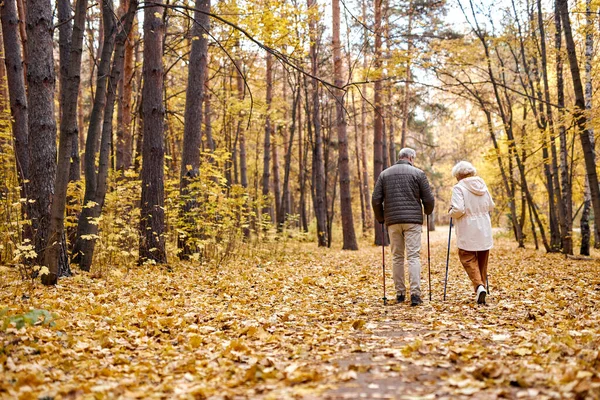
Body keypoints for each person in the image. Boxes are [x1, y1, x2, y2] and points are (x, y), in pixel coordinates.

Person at [372, 148, 435, 306]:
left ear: (399, 158)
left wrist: (381, 218)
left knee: (397, 257)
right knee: (413, 256)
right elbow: (428, 198)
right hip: (412, 221)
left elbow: (375, 199)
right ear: (411, 158)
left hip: (392, 221)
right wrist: (427, 211)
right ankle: (415, 294)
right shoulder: (418, 174)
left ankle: (400, 293)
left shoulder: (385, 174)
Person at [448, 161, 495, 305]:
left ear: (459, 175)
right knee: (482, 258)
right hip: (484, 226)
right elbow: (491, 206)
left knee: (466, 256)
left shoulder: (459, 188)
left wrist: (451, 212)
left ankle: (479, 286)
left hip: (467, 227)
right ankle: (482, 288)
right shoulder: (483, 186)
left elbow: (458, 210)